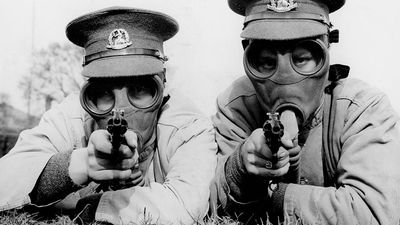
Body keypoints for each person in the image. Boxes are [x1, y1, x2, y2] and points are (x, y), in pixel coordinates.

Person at [0, 6, 217, 225]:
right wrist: (79, 165)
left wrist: (88, 206)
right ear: (88, 95)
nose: (120, 109)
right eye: (104, 93)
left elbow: (187, 205)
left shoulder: (187, 125)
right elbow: (5, 181)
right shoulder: (73, 115)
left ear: (162, 84)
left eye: (140, 89)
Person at [210, 0, 400, 224]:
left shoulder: (360, 109)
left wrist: (276, 195)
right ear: (248, 56)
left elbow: (375, 213)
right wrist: (240, 167)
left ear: (327, 49)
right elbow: (213, 205)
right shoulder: (236, 106)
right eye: (266, 61)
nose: (284, 76)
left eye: (302, 59)